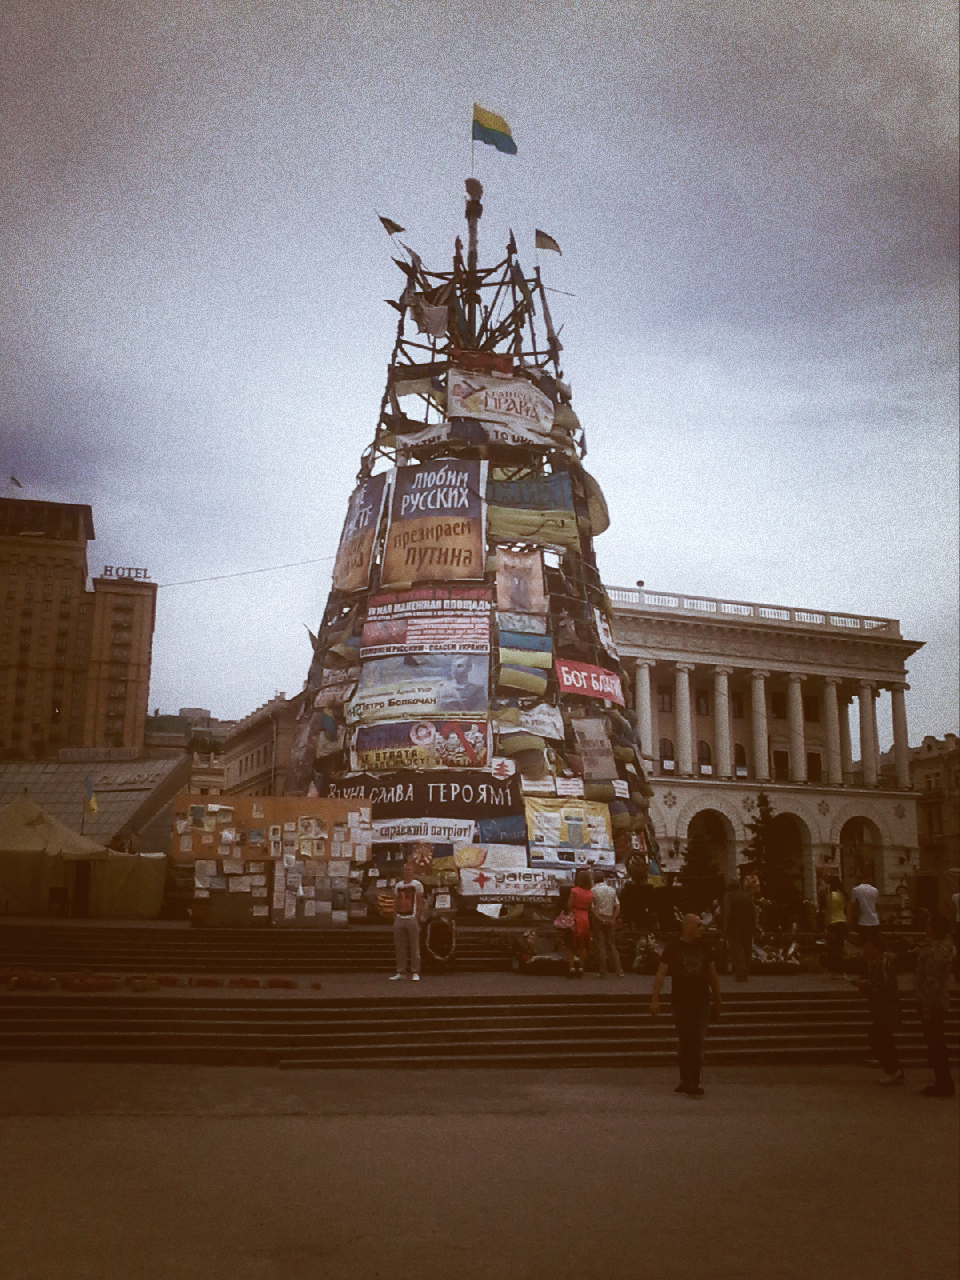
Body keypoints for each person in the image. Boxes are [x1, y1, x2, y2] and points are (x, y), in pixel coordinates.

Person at [651, 914, 722, 1097]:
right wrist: (655, 999)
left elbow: (712, 974)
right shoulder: (673, 947)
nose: (702, 928)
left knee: (697, 1039)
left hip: (701, 1000)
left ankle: (693, 1081)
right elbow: (661, 974)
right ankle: (685, 1077)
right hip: (681, 1000)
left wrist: (717, 998)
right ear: (688, 927)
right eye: (698, 925)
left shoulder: (704, 947)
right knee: (685, 1039)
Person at [913, 911, 956, 1097]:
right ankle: (941, 1081)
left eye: (929, 924)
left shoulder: (944, 948)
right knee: (933, 1044)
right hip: (925, 999)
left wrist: (926, 1007)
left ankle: (945, 1084)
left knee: (937, 1044)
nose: (926, 927)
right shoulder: (933, 945)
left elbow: (935, 979)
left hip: (934, 1002)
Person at [853, 933, 903, 1085]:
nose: (864, 950)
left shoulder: (883, 963)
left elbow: (884, 986)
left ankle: (893, 1070)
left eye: (867, 946)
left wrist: (865, 985)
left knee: (879, 1038)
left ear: (875, 948)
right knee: (883, 1039)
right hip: (880, 1009)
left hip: (885, 1009)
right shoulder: (876, 963)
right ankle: (893, 1070)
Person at [389, 861, 424, 981]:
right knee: (400, 947)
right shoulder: (398, 885)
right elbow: (396, 901)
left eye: (409, 870)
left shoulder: (417, 885)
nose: (407, 872)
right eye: (405, 870)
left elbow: (419, 901)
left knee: (414, 946)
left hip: (411, 917)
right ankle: (401, 971)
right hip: (400, 917)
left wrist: (417, 916)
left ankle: (415, 971)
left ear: (413, 872)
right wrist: (395, 917)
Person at [723, 879, 757, 982]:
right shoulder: (747, 896)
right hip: (748, 927)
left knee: (737, 950)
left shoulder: (728, 896)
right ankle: (746, 972)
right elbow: (754, 911)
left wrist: (725, 929)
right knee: (747, 949)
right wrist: (754, 926)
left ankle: (740, 973)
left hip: (734, 927)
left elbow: (726, 913)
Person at [590, 874, 624, 978]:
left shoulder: (593, 890)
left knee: (601, 945)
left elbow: (592, 908)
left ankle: (603, 971)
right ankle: (619, 971)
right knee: (612, 944)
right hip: (610, 918)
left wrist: (600, 918)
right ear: (604, 879)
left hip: (598, 919)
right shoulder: (612, 890)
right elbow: (618, 906)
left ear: (594, 879)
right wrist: (613, 918)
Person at [567, 869, 594, 978]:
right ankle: (581, 968)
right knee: (583, 945)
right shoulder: (590, 893)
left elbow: (569, 904)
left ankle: (572, 967)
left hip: (575, 916)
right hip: (585, 917)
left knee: (571, 944)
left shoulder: (574, 891)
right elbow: (591, 908)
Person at [823, 874, 849, 977]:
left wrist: (825, 924)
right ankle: (842, 971)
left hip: (833, 923)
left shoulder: (830, 896)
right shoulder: (844, 895)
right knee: (840, 947)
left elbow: (828, 910)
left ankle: (834, 972)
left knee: (833, 948)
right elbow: (847, 910)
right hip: (842, 921)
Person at [849, 876, 880, 944]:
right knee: (874, 944)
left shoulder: (855, 890)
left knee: (864, 943)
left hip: (863, 921)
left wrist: (851, 921)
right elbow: (876, 905)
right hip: (875, 920)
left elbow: (853, 906)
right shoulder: (875, 890)